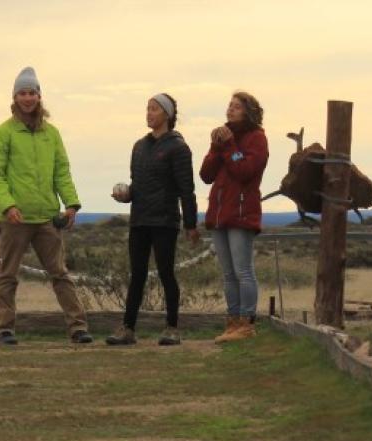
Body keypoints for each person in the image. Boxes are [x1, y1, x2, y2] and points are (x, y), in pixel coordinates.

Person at [0, 66, 93, 345]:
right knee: (7, 275)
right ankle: (4, 329)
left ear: (39, 96)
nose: (28, 98)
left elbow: (62, 171)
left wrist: (71, 204)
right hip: (14, 219)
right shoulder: (2, 133)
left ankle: (78, 327)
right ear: (14, 97)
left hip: (47, 216)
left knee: (60, 274)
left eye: (32, 92)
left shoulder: (52, 134)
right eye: (22, 93)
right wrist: (8, 205)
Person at [106, 93, 199, 346]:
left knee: (166, 273)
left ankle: (172, 328)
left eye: (155, 109)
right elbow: (138, 185)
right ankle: (127, 328)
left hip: (165, 221)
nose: (149, 113)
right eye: (147, 108)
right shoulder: (139, 146)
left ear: (167, 115)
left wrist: (190, 224)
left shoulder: (179, 148)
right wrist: (125, 196)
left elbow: (186, 190)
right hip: (140, 220)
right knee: (137, 274)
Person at [199, 90, 269, 343]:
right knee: (228, 273)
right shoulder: (223, 139)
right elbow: (206, 174)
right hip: (219, 213)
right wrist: (216, 147)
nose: (230, 110)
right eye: (229, 105)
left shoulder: (257, 138)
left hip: (241, 213)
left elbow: (244, 170)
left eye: (237, 106)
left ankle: (246, 323)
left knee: (243, 271)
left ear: (249, 111)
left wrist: (228, 146)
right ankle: (232, 321)